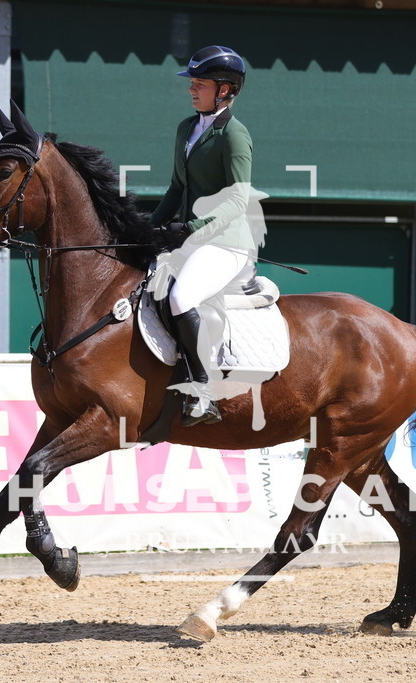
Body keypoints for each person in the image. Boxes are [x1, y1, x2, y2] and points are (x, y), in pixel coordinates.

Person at [152, 45, 257, 427]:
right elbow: (176, 190)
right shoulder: (186, 128)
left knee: (180, 296)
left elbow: (238, 199)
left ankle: (202, 390)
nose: (191, 90)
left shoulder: (234, 135)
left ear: (225, 90)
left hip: (228, 244)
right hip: (192, 241)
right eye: (191, 83)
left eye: (200, 84)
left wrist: (194, 228)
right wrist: (147, 228)